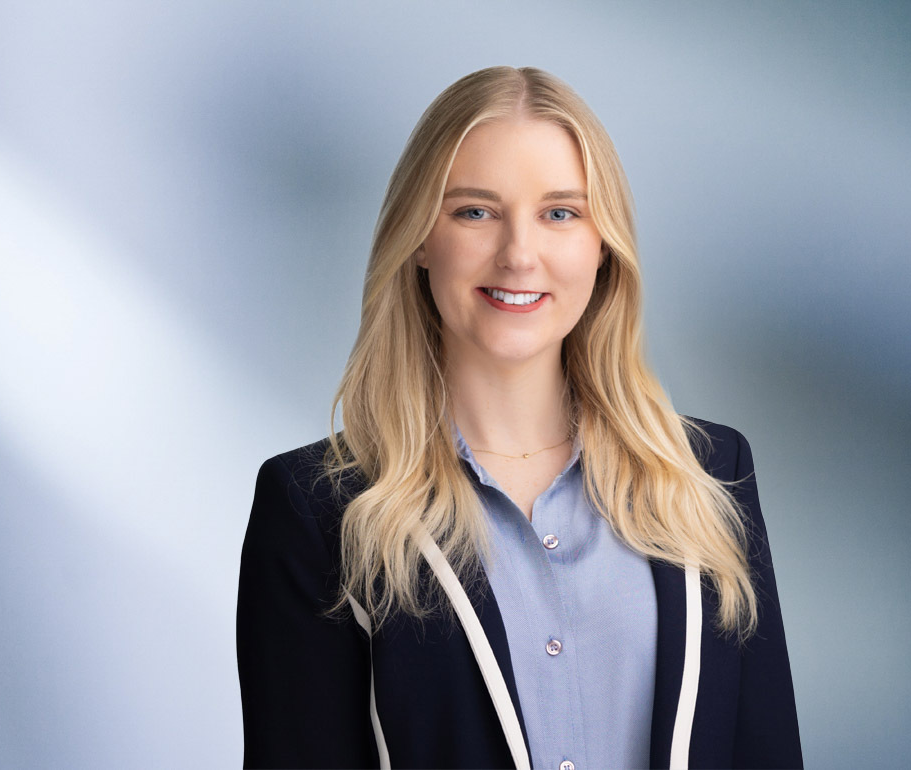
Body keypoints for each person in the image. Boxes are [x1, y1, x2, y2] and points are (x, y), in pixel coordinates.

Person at [236, 65, 802, 770]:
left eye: (560, 212)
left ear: (603, 245)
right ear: (419, 238)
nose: (518, 254)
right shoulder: (318, 511)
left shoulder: (710, 476)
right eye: (475, 211)